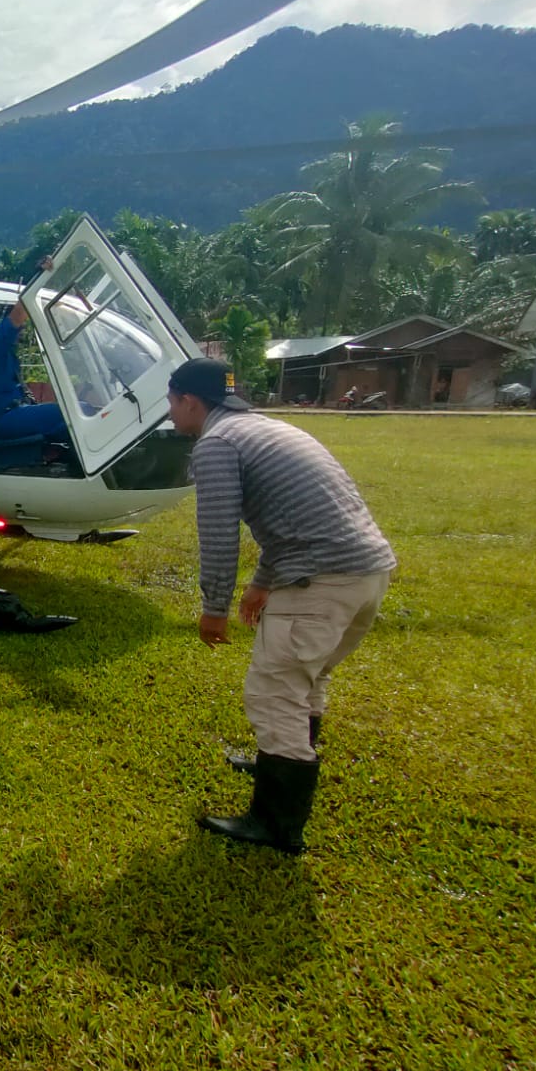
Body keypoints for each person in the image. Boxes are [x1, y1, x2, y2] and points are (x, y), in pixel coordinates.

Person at [167, 358, 395, 854]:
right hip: (368, 572)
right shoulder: (266, 429)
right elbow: (290, 516)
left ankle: (275, 825)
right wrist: (262, 582)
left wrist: (214, 607)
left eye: (171, 402)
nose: (170, 415)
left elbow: (219, 533)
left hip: (323, 578)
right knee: (307, 677)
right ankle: (282, 755)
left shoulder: (216, 444)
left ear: (189, 400)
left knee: (274, 690)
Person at [0, 304, 66, 440]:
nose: (22, 330)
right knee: (67, 414)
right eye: (21, 327)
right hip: (1, 418)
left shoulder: (3, 353)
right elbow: (18, 313)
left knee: (71, 415)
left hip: (10, 413)